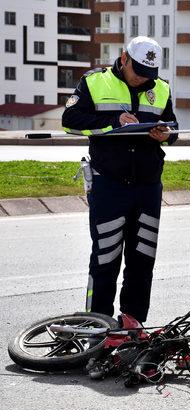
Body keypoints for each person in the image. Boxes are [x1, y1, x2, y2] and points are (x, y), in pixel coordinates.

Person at [61, 36, 178, 326]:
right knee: (105, 258)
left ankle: (133, 323)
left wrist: (167, 135)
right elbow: (70, 120)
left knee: (142, 260)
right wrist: (114, 120)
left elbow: (173, 127)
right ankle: (97, 323)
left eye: (148, 73)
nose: (142, 78)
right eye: (138, 70)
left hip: (148, 185)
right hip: (109, 184)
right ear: (123, 58)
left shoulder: (160, 88)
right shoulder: (94, 82)